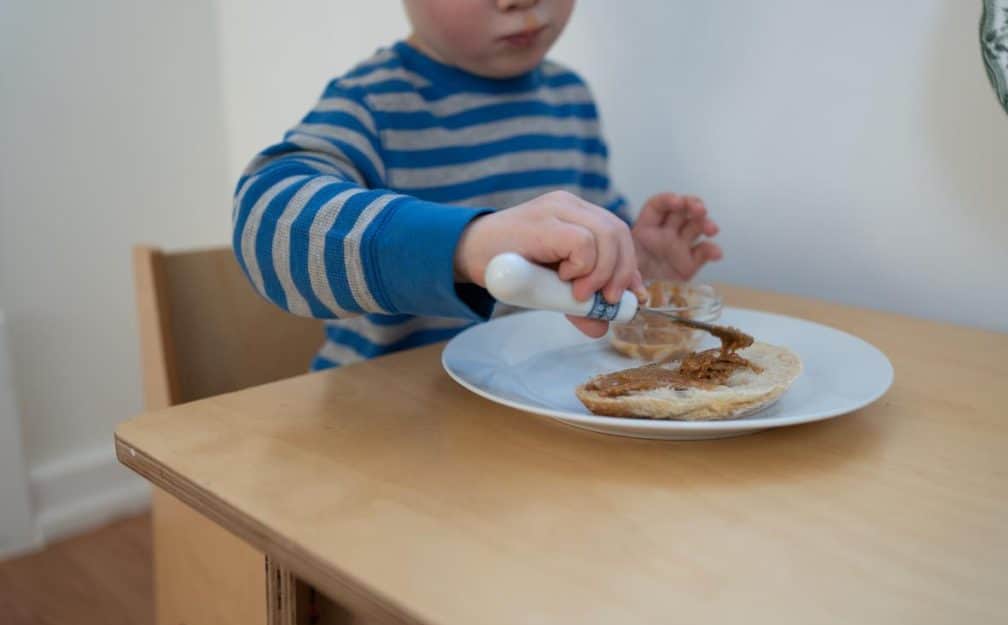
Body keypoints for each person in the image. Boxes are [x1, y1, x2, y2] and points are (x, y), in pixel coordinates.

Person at [232, 0, 722, 371]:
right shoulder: (373, 104)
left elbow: (580, 272)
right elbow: (263, 221)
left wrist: (631, 265)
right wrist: (467, 246)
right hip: (387, 427)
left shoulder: (570, 101)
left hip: (529, 411)